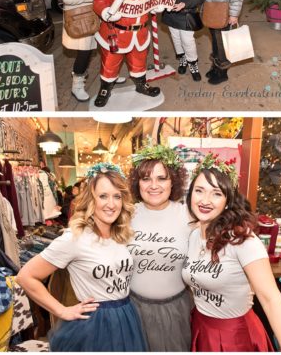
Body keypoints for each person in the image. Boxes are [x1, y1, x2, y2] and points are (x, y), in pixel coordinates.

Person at [16, 163, 147, 352]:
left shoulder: (121, 235)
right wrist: (62, 310)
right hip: (95, 325)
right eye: (103, 196)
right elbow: (25, 277)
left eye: (117, 196)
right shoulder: (75, 238)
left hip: (126, 316)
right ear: (91, 200)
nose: (111, 204)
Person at [182, 155, 281, 352]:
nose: (205, 200)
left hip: (235, 337)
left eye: (216, 193)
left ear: (228, 201)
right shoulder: (194, 236)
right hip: (201, 329)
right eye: (199, 191)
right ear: (190, 195)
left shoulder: (242, 240)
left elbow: (272, 300)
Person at [127, 143, 194, 351]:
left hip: (176, 312)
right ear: (137, 183)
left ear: (173, 181)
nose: (153, 185)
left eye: (161, 178)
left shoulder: (189, 215)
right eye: (146, 178)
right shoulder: (125, 214)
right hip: (132, 310)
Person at [92, 0, 160, 107]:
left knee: (139, 61)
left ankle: (141, 84)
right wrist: (105, 12)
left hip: (140, 32)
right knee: (110, 62)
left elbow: (146, 0)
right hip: (116, 32)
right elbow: (98, 2)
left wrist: (153, 8)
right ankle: (105, 89)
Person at [62, 0, 124, 102]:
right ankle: (77, 85)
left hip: (102, 15)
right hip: (84, 18)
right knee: (85, 53)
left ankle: (111, 76)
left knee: (107, 47)